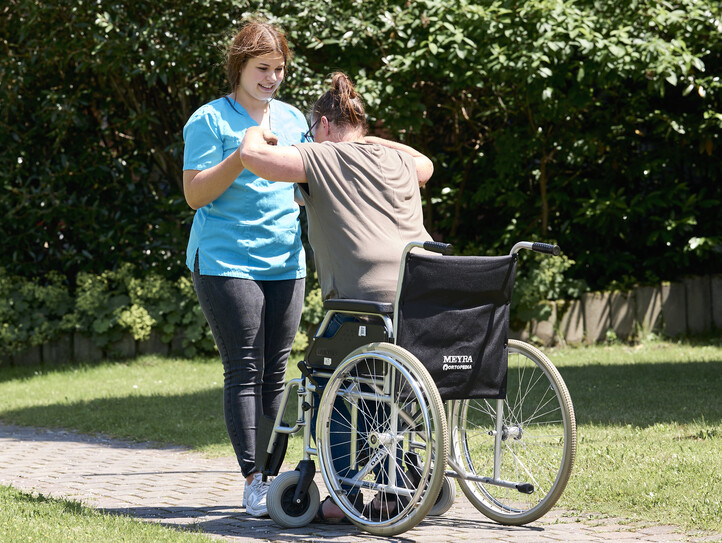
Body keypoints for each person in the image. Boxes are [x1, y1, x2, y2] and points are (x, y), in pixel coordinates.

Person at [238, 72, 434, 523]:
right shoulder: (396, 160)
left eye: (312, 130)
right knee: (379, 382)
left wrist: (254, 131)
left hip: (363, 306)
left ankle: (343, 493)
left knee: (329, 380)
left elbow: (254, 158)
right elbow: (425, 164)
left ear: (323, 125)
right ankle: (395, 482)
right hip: (423, 303)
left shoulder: (323, 155)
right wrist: (373, 140)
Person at [182, 19, 307, 518]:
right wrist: (242, 154)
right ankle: (254, 480)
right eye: (262, 68)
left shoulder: (293, 119)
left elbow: (306, 184)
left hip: (286, 260)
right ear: (239, 65)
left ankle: (273, 479)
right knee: (246, 367)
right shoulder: (209, 120)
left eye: (279, 69)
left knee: (277, 371)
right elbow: (195, 194)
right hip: (225, 260)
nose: (272, 77)